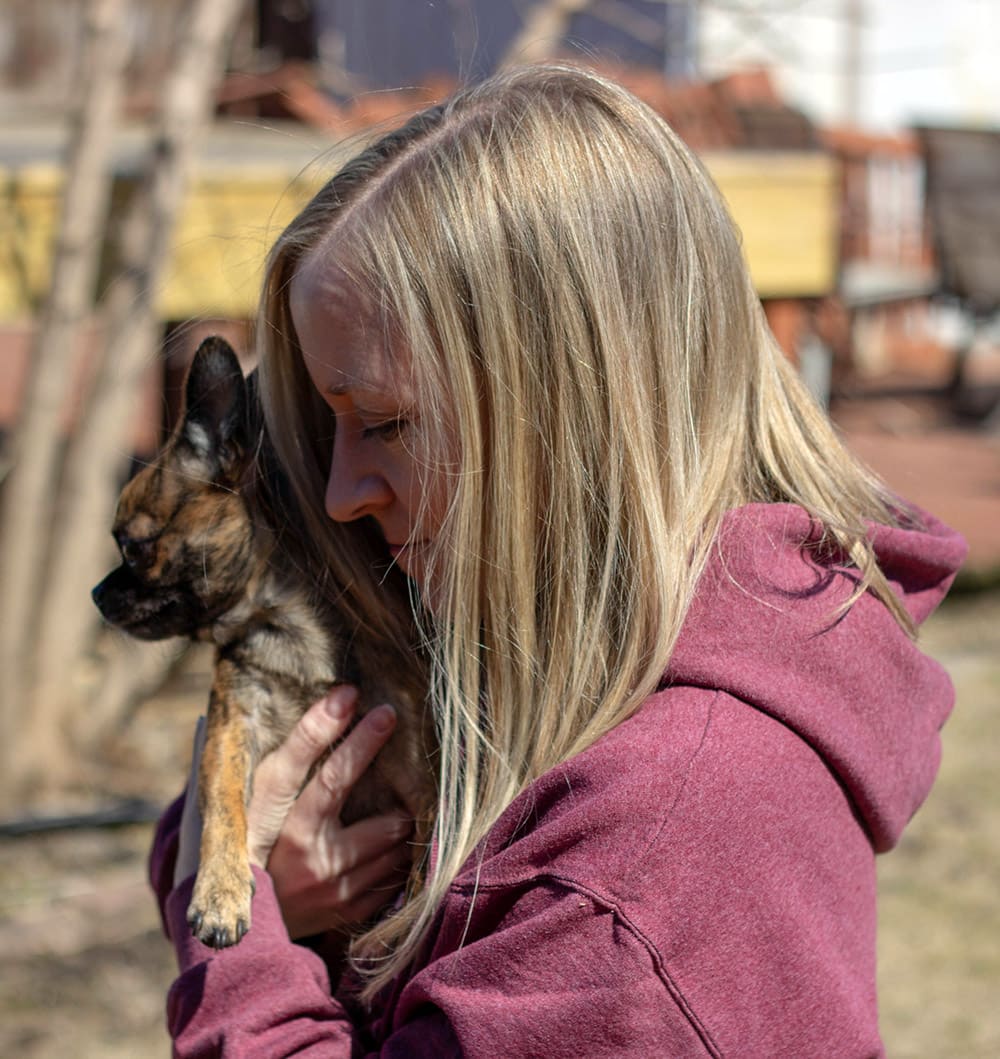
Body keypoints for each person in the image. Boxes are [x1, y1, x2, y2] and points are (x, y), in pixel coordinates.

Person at [149, 64, 967, 1056]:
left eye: (390, 425)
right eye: (329, 430)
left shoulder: (648, 860)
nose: (340, 493)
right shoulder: (554, 677)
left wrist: (233, 936)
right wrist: (260, 868)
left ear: (573, 413)